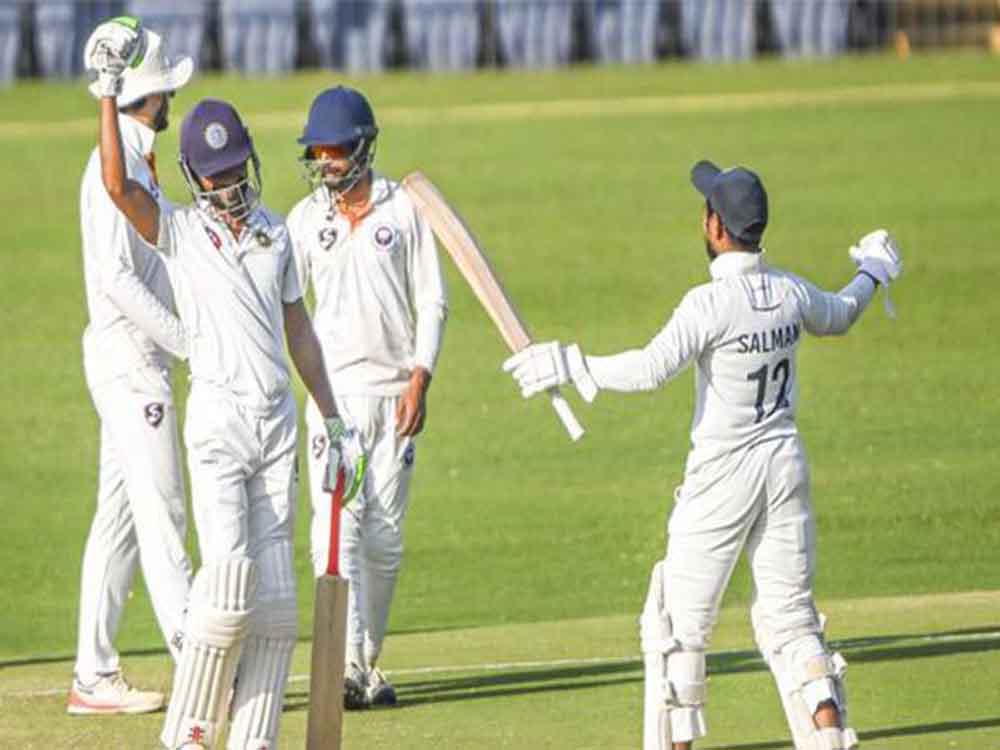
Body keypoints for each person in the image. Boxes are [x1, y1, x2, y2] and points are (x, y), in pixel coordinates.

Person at [504, 161, 903, 750]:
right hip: (784, 465)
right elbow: (841, 313)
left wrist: (567, 363)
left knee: (676, 629)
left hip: (723, 476)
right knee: (791, 621)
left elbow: (649, 369)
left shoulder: (710, 304)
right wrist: (873, 270)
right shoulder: (789, 291)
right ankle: (828, 739)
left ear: (715, 226)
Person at [83, 18, 366, 750]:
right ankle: (189, 730)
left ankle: (254, 738)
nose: (230, 184)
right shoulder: (179, 233)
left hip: (276, 428)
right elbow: (116, 186)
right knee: (229, 586)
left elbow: (300, 331)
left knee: (276, 608)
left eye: (237, 168)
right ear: (192, 178)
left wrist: (333, 417)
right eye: (216, 175)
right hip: (217, 428)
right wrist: (108, 93)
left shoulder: (277, 235)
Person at [286, 85, 448, 708]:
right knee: (338, 530)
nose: (324, 161)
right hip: (335, 399)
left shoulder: (403, 209)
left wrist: (421, 376)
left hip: (395, 395)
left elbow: (432, 299)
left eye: (332, 149)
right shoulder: (305, 221)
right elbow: (287, 307)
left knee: (385, 539)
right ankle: (344, 664)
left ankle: (368, 662)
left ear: (361, 147)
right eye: (317, 151)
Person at [71, 18, 193, 716]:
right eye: (166, 87)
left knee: (118, 517)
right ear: (149, 95)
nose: (172, 97)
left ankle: (93, 674)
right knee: (163, 512)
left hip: (129, 360)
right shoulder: (113, 166)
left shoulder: (137, 157)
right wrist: (187, 342)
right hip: (131, 363)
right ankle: (198, 666)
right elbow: (118, 280)